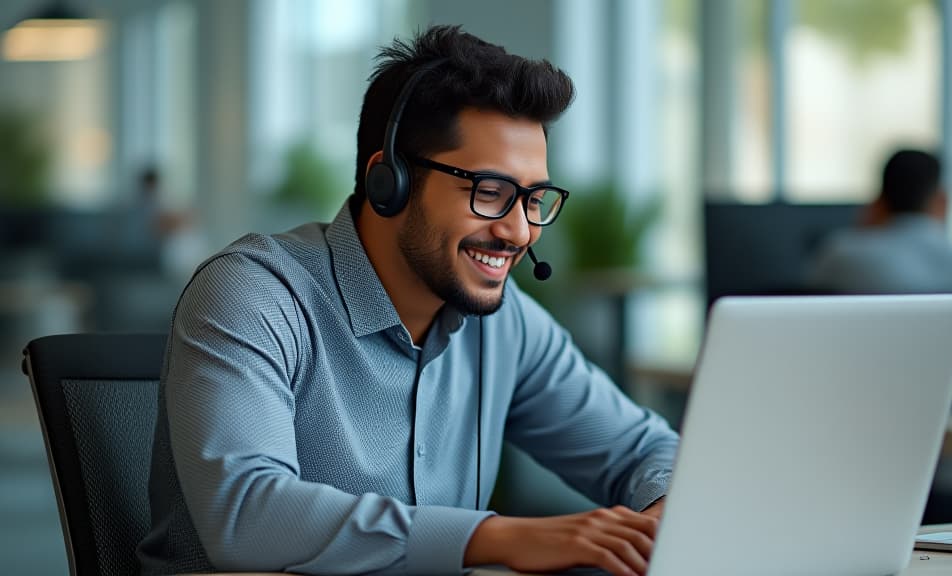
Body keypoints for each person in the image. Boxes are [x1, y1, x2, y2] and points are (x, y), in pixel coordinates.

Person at [137, 25, 678, 576]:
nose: (519, 231)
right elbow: (247, 515)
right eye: (489, 193)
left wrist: (665, 515)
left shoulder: (503, 322)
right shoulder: (253, 296)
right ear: (387, 182)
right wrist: (495, 537)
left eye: (533, 198)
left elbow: (645, 449)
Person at [807, 148, 952, 523]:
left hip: (876, 474)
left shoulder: (842, 256)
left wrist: (867, 225)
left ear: (878, 202)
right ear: (941, 201)